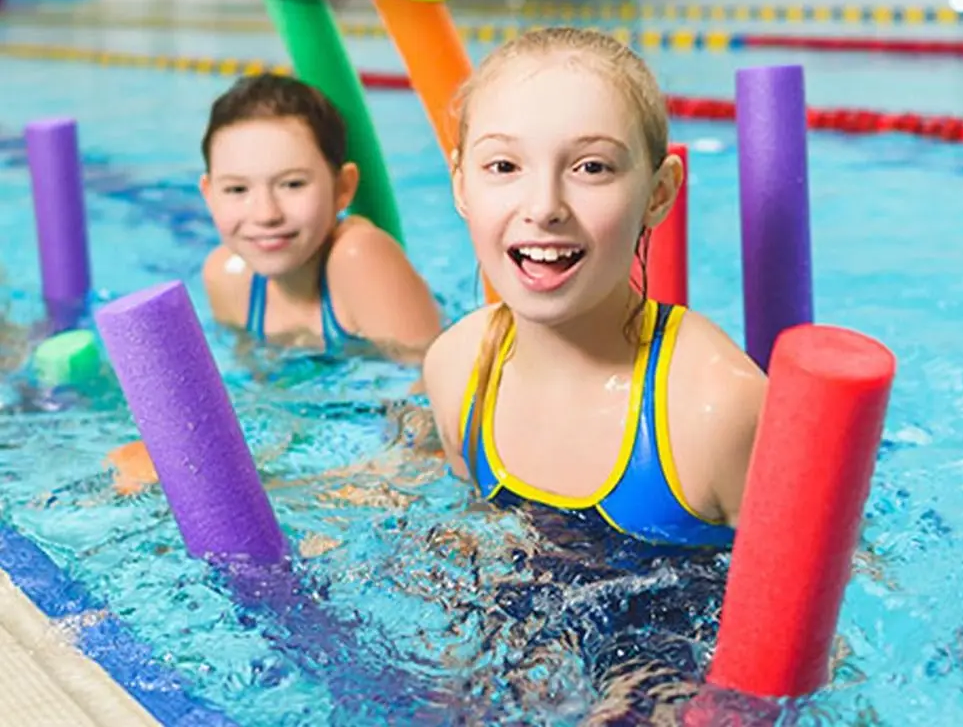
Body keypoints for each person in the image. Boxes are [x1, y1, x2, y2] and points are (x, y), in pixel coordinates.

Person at [422, 27, 768, 549]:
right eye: (504, 166)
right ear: (461, 185)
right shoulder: (456, 370)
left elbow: (817, 609)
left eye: (591, 167)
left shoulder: (718, 409)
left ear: (659, 193)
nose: (543, 207)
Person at [198, 71, 443, 363]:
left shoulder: (359, 258)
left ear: (343, 187)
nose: (266, 214)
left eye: (293, 184)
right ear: (209, 195)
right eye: (237, 189)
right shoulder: (226, 277)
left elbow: (429, 393)